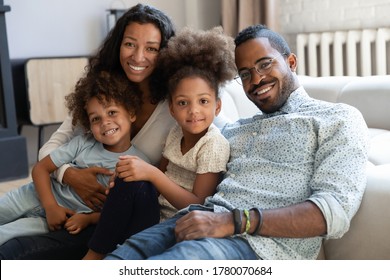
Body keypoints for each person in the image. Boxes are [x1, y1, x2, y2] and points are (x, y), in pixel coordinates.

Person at [103, 24, 369, 260]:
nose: (256, 80)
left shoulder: (337, 119)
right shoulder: (235, 129)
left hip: (259, 247)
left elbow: (331, 213)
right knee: (121, 256)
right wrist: (131, 177)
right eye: (244, 74)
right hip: (196, 219)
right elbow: (190, 114)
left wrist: (233, 222)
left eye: (265, 64)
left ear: (291, 61)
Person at [0, 3, 176, 259]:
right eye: (130, 44)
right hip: (51, 193)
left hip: (88, 216)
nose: (138, 57)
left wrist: (91, 217)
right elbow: (50, 150)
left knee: (13, 246)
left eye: (151, 48)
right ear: (118, 46)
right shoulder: (100, 92)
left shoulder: (175, 105)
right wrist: (70, 175)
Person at [82, 27, 235, 259]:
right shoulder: (175, 133)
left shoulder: (213, 144)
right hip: (152, 213)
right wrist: (134, 174)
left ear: (217, 107)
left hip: (176, 223)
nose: (193, 111)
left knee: (137, 179)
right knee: (128, 175)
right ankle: (100, 241)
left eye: (203, 101)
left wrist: (150, 175)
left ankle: (95, 254)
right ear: (172, 109)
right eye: (183, 103)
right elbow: (158, 172)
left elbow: (198, 204)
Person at [0, 71, 159, 246]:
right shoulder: (82, 143)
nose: (105, 122)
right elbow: (40, 169)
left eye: (112, 112)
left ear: (131, 113)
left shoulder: (140, 164)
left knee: (4, 235)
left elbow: (122, 211)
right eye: (96, 118)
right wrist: (50, 206)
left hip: (59, 219)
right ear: (89, 123)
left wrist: (90, 219)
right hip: (33, 196)